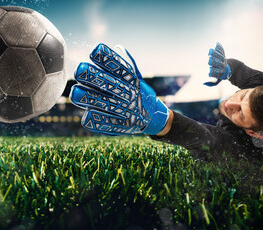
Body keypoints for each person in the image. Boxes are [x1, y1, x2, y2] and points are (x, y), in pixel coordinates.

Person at [69, 43, 263, 161]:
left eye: (241, 114)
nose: (230, 104)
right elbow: (242, 72)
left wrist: (163, 120)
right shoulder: (259, 84)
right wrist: (227, 68)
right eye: (242, 96)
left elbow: (207, 140)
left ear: (253, 133)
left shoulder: (245, 148)